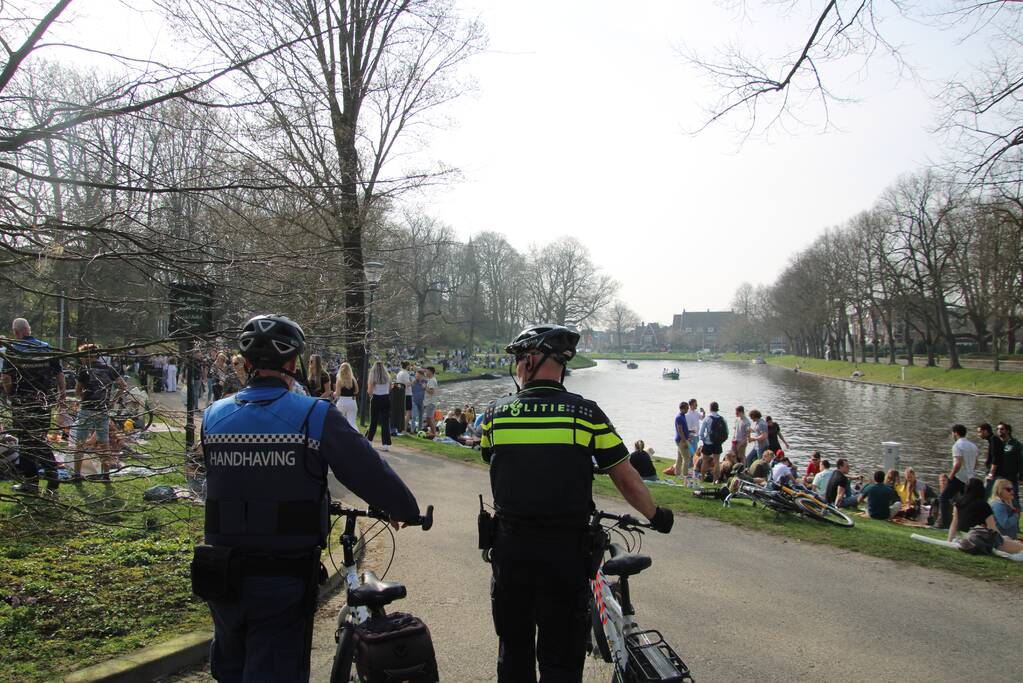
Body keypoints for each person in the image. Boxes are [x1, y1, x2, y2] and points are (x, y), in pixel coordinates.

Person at [197, 314, 420, 682]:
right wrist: (404, 509)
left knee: (231, 668)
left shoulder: (212, 417)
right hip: (281, 576)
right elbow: (367, 470)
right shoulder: (313, 415)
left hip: (220, 574)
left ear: (247, 363)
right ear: (292, 363)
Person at [480, 324, 673, 682]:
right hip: (565, 555)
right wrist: (657, 515)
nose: (518, 366)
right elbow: (625, 477)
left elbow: (490, 455)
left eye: (520, 359)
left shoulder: (496, 414)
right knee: (562, 659)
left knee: (513, 652)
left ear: (533, 359)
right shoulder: (586, 414)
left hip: (511, 553)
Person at [1, 318, 66, 496]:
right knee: (40, 439)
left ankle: (31, 484)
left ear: (16, 332)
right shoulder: (45, 347)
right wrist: (62, 393)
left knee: (27, 443)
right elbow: (59, 373)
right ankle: (52, 479)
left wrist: (9, 395)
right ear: (29, 330)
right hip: (44, 402)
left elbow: (6, 377)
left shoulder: (13, 350)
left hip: (24, 403)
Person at [73, 344, 129, 482]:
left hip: (87, 409)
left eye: (82, 356)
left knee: (79, 442)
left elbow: (77, 391)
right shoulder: (109, 369)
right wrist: (112, 401)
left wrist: (82, 396)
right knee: (104, 444)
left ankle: (76, 474)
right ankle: (106, 475)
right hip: (103, 409)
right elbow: (123, 385)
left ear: (88, 356)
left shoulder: (85, 370)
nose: (81, 359)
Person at [947, 478, 1023, 553]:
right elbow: (993, 530)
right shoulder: (984, 506)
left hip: (966, 536)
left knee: (1010, 540)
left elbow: (954, 524)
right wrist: (1003, 539)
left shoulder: (958, 504)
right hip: (984, 539)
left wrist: (949, 541)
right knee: (1020, 546)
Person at [938, 424, 979, 528]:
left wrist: (951, 476)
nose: (952, 435)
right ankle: (963, 524)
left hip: (959, 477)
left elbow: (958, 463)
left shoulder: (957, 445)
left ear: (955, 433)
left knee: (943, 497)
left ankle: (945, 523)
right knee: (964, 501)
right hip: (970, 478)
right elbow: (976, 463)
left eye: (952, 433)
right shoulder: (973, 446)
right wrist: (970, 472)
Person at [364, 360, 391, 451]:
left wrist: (371, 393)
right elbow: (389, 388)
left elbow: (370, 391)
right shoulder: (387, 377)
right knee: (385, 422)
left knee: (374, 421)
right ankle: (386, 444)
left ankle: (370, 440)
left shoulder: (373, 378)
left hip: (376, 398)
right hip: (386, 398)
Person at [993, 422, 1022, 510]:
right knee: (997, 498)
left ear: (1008, 431)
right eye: (997, 429)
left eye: (1002, 429)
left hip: (1011, 477)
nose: (999, 431)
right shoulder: (997, 443)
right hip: (998, 477)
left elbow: (1021, 461)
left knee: (1013, 498)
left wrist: (1021, 476)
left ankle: (1015, 518)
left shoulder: (1016, 444)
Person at [698, 401, 727, 481]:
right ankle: (715, 481)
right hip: (718, 443)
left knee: (705, 461)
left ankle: (702, 478)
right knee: (717, 462)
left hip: (708, 443)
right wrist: (721, 441)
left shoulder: (707, 418)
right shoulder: (722, 419)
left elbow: (701, 432)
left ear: (710, 408)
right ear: (717, 408)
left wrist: (703, 440)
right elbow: (726, 432)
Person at [332, 362, 358, 429]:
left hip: (342, 402)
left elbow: (338, 393)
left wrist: (333, 393)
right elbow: (356, 391)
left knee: (339, 422)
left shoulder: (339, 380)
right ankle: (356, 437)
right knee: (352, 422)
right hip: (352, 401)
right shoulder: (353, 379)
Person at [978, 423, 1000, 497]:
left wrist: (991, 474)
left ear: (985, 431)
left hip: (995, 474)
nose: (979, 434)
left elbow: (995, 457)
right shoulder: (992, 440)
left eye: (979, 432)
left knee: (986, 494)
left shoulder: (993, 439)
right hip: (994, 473)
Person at [672, 402, 690, 481]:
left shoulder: (683, 416)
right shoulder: (679, 417)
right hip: (681, 440)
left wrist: (689, 431)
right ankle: (685, 475)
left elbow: (683, 428)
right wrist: (685, 441)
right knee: (687, 457)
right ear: (682, 408)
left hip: (682, 439)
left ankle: (677, 473)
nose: (688, 409)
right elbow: (680, 430)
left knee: (679, 457)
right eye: (686, 408)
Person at [395, 360, 413, 434]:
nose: (410, 367)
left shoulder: (399, 373)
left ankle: (400, 428)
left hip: (401, 394)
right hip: (407, 394)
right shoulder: (405, 373)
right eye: (409, 366)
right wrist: (413, 382)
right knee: (408, 412)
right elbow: (406, 384)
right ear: (407, 366)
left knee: (402, 412)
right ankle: (404, 429)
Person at [423, 366, 438, 437]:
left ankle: (433, 433)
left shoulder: (432, 380)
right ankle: (433, 432)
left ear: (431, 372)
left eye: (427, 371)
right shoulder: (431, 379)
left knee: (429, 418)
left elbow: (431, 391)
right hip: (430, 402)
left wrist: (425, 387)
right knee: (430, 418)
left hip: (430, 402)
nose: (426, 372)